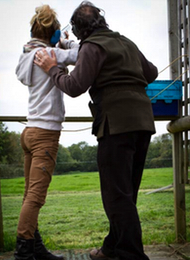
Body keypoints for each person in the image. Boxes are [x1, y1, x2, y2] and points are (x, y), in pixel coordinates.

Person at [34, 1, 158, 260]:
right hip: (143, 122)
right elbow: (152, 72)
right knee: (125, 192)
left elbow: (74, 85)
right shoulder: (126, 42)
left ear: (80, 30)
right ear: (102, 22)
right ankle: (112, 247)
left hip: (116, 123)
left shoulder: (92, 46)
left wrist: (52, 69)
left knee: (116, 195)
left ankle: (130, 255)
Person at [15, 4, 79, 260]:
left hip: (29, 132)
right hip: (45, 135)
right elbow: (81, 54)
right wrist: (66, 42)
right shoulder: (51, 53)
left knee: (29, 194)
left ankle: (35, 246)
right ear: (53, 34)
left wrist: (56, 44)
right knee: (36, 198)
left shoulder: (27, 54)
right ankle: (23, 254)